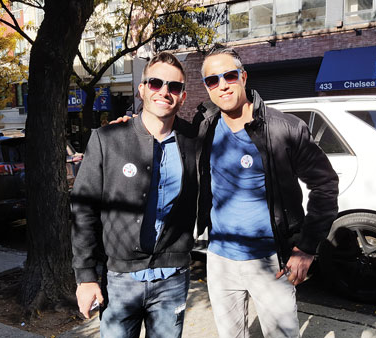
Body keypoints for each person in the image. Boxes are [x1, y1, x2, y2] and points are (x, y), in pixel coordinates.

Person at [194, 45, 339, 338]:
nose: (222, 85)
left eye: (229, 76)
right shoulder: (204, 128)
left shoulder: (284, 128)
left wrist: (307, 248)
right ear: (207, 88)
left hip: (270, 261)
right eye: (212, 80)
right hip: (220, 260)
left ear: (243, 76)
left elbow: (325, 184)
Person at [70, 52, 198, 338]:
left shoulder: (193, 142)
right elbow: (84, 210)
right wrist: (86, 276)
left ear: (183, 96)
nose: (164, 91)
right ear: (142, 89)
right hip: (119, 280)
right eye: (155, 83)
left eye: (173, 87)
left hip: (172, 278)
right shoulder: (108, 139)